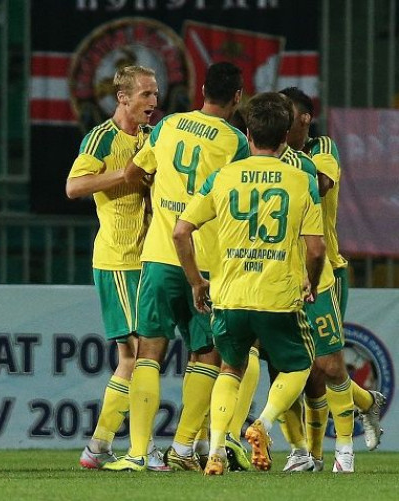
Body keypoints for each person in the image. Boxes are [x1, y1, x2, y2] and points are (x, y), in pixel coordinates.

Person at [104, 62, 249, 473]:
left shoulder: (167, 127)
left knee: (148, 351)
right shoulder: (236, 141)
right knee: (207, 354)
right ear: (238, 97)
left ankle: (137, 453)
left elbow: (133, 172)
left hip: (159, 255)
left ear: (202, 90)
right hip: (207, 263)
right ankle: (183, 447)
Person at [173, 91, 326, 475]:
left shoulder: (222, 177)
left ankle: (215, 452)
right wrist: (311, 282)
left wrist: (196, 281)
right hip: (278, 295)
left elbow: (180, 231)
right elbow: (316, 247)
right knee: (299, 366)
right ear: (286, 133)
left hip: (229, 295)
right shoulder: (302, 179)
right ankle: (263, 423)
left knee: (230, 368)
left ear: (248, 133)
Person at [65, 65, 169, 472]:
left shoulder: (151, 138)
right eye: (145, 94)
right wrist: (123, 175)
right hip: (119, 259)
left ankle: (100, 445)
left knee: (135, 356)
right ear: (122, 98)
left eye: (155, 93)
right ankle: (135, 447)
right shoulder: (102, 138)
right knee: (140, 354)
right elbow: (73, 186)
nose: (153, 101)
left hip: (148, 258)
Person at [275, 87, 385, 472]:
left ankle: (339, 451)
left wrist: (284, 160)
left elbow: (321, 186)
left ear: (305, 118)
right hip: (281, 271)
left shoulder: (321, 148)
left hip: (326, 269)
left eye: (287, 113)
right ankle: (308, 451)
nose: (281, 120)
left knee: (326, 364)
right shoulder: (270, 157)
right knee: (296, 368)